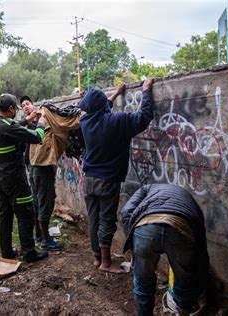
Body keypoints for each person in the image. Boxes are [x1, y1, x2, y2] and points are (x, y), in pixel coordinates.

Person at [78, 79, 155, 273]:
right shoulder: (117, 121)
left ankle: (97, 258)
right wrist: (146, 91)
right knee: (106, 220)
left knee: (94, 219)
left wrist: (115, 94)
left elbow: (102, 109)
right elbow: (144, 116)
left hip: (89, 180)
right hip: (107, 181)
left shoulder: (85, 122)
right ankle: (105, 263)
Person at [120, 184, 210, 316]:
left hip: (146, 228)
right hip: (180, 228)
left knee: (143, 282)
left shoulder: (146, 188)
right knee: (184, 282)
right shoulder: (187, 197)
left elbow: (126, 211)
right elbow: (200, 236)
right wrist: (199, 267)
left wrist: (133, 243)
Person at [0, 93, 48, 263]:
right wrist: (40, 123)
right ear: (11, 109)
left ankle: (7, 252)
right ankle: (29, 252)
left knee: (5, 215)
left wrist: (27, 119)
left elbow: (11, 129)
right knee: (25, 213)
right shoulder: (6, 126)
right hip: (14, 178)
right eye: (15, 109)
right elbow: (37, 137)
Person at [29, 101, 81, 251]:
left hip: (35, 168)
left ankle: (39, 235)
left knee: (38, 203)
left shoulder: (40, 124)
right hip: (42, 170)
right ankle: (46, 240)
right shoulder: (49, 124)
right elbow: (72, 121)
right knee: (46, 203)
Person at [20, 95, 42, 242]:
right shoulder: (24, 124)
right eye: (23, 105)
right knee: (36, 197)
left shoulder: (41, 119)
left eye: (27, 104)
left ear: (33, 105)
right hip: (31, 163)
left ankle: (40, 229)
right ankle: (39, 232)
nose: (26, 106)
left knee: (42, 197)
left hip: (42, 162)